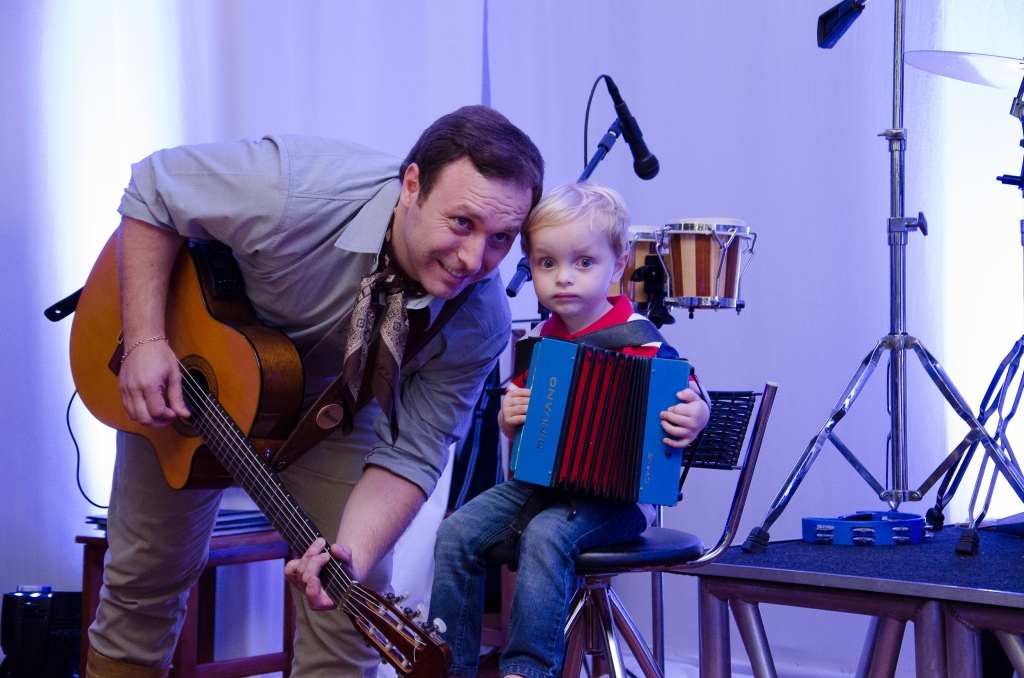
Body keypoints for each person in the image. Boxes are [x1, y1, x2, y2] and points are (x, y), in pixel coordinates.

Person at [88, 106, 544, 678]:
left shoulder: (480, 321)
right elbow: (155, 187)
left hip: (336, 409)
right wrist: (145, 339)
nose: (474, 260)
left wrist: (350, 555)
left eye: (501, 238)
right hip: (191, 362)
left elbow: (412, 454)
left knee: (347, 609)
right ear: (412, 186)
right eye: (461, 223)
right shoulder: (295, 192)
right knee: (144, 581)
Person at [425, 182, 710, 678]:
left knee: (546, 534)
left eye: (584, 262)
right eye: (546, 263)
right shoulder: (540, 342)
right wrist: (508, 417)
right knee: (455, 533)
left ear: (617, 265)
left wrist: (697, 415)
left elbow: (693, 399)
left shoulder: (643, 340)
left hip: (620, 502)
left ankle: (527, 670)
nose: (563, 278)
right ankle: (449, 667)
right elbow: (521, 432)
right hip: (540, 488)